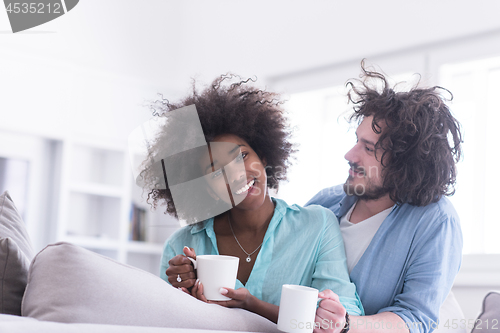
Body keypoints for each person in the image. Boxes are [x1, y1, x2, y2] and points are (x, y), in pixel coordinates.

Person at [138, 74, 364, 327]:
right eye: (216, 171)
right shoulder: (182, 245)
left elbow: (342, 315)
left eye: (242, 156)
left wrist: (251, 305)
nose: (237, 174)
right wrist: (180, 295)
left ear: (264, 157)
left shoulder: (317, 225)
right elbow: (163, 325)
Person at [306, 64, 463, 333]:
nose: (350, 155)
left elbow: (415, 317)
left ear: (405, 163)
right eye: (357, 140)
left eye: (368, 148)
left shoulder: (436, 221)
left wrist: (345, 325)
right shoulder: (326, 202)